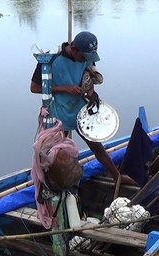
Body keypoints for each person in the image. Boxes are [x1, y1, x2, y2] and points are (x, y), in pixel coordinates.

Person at [30, 31, 136, 185]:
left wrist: (92, 94)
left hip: (79, 108)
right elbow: (34, 88)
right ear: (73, 49)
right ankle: (56, 184)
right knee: (57, 153)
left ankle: (117, 177)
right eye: (84, 56)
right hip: (58, 112)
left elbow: (89, 81)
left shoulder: (86, 59)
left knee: (97, 147)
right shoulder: (50, 59)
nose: (86, 60)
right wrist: (65, 88)